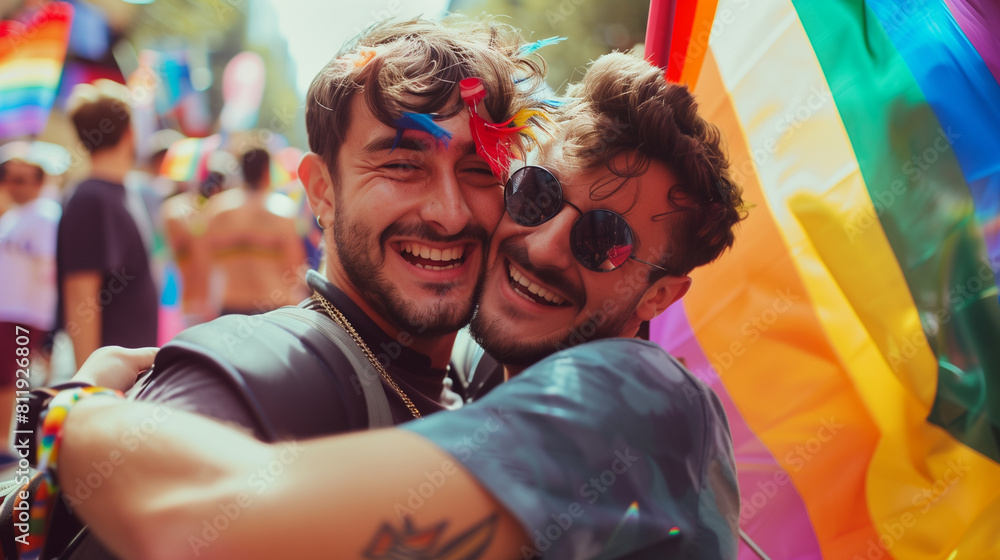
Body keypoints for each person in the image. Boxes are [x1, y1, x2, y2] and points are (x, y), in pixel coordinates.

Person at [37, 51, 745, 559]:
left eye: (605, 240)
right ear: (318, 189)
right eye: (537, 195)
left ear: (659, 295)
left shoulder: (636, 397)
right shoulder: (456, 369)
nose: (542, 246)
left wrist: (66, 405)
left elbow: (198, 520)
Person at [57, 80, 159, 368]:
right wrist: (90, 385)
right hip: (111, 377)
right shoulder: (90, 198)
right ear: (130, 133)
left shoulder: (120, 192)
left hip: (128, 370)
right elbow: (81, 295)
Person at [0, 142, 64, 446]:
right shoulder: (17, 215)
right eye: (7, 176)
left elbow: (50, 269)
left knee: (7, 379)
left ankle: (4, 444)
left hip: (23, 313)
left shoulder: (44, 215)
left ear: (40, 182)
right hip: (11, 312)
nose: (12, 184)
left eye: (21, 178)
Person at [201, 148, 306, 315]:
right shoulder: (283, 210)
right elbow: (294, 267)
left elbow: (204, 261)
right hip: (274, 307)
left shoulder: (217, 210)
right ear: (267, 170)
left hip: (231, 306)